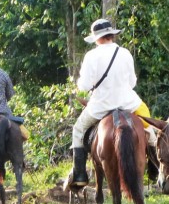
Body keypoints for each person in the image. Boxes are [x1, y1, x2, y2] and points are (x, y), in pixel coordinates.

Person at [64, 18, 158, 190]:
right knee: (150, 129)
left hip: (100, 106)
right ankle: (155, 168)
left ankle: (79, 175)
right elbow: (132, 82)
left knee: (78, 130)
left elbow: (84, 86)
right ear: (111, 35)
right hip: (129, 103)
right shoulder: (125, 53)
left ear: (97, 38)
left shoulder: (91, 56)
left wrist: (81, 83)